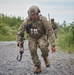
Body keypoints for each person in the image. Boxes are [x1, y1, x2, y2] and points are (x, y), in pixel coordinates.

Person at [16, 5, 56, 74]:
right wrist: (19, 41)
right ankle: (38, 66)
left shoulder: (43, 19)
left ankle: (45, 57)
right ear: (29, 15)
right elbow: (20, 32)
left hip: (41, 36)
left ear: (37, 13)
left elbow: (50, 31)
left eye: (34, 14)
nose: (33, 16)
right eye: (31, 15)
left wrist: (53, 45)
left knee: (43, 46)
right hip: (32, 37)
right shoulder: (26, 21)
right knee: (32, 49)